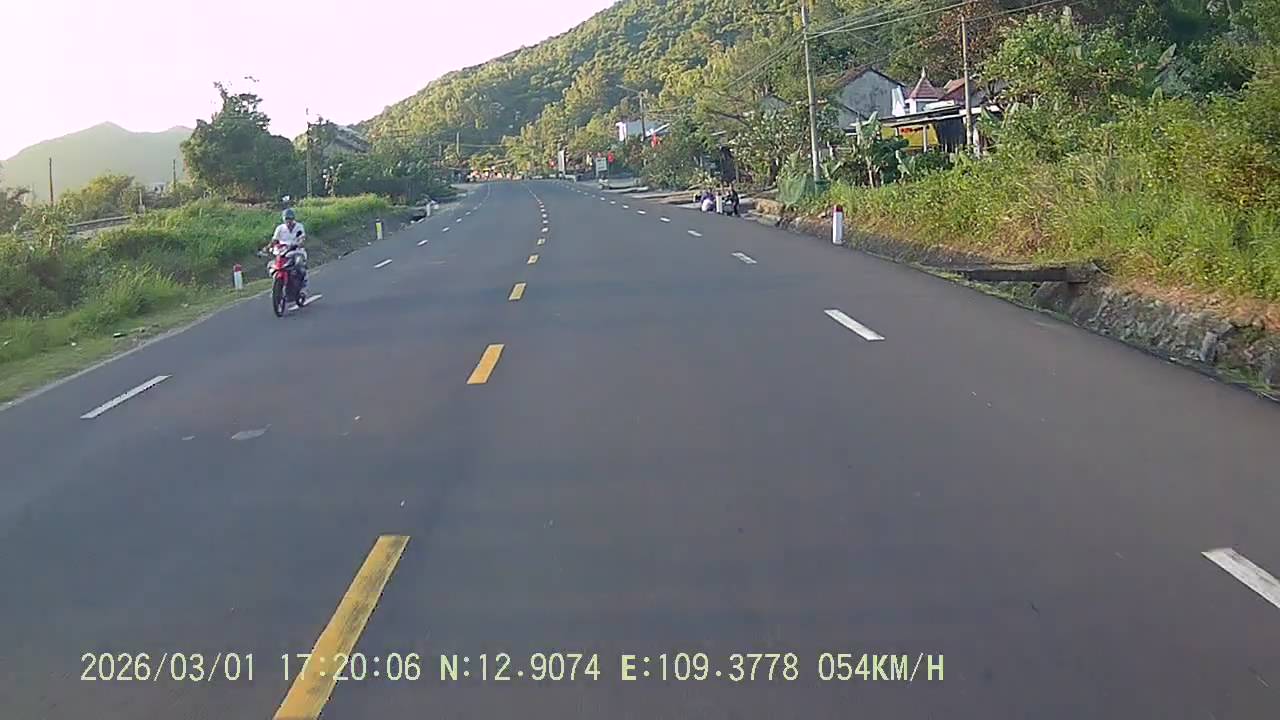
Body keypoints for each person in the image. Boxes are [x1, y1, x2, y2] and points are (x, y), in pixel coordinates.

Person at [268, 208, 308, 289]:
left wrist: (299, 243)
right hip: (283, 251)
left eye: (290, 219)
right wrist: (269, 247)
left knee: (299, 265)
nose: (289, 221)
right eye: (287, 219)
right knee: (272, 265)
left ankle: (301, 283)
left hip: (296, 250)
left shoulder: (299, 226)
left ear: (293, 218)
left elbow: (302, 238)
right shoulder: (280, 228)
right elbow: (274, 240)